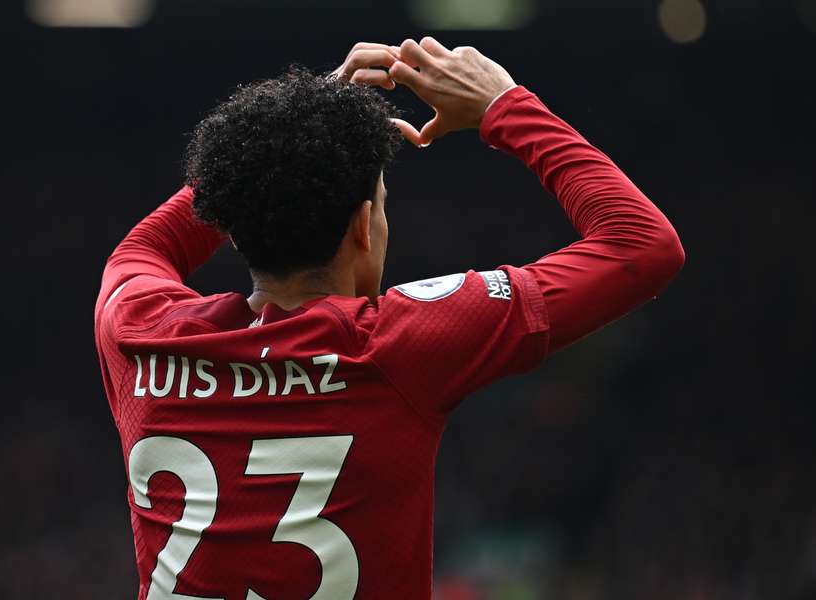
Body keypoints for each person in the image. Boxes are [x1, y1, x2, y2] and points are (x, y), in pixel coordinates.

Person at [94, 37, 684, 600]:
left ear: (234, 215)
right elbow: (641, 245)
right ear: (361, 225)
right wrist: (506, 106)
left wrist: (286, 138)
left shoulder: (139, 330)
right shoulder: (400, 344)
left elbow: (150, 246)